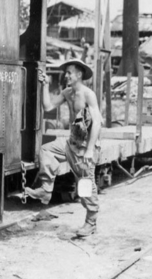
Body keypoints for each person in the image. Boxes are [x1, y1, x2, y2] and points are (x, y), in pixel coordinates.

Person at [26, 59, 102, 237]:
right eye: (66, 72)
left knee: (84, 187)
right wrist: (44, 85)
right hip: (71, 144)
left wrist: (90, 150)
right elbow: (48, 106)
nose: (66, 75)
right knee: (47, 150)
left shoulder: (88, 94)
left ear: (79, 75)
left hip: (85, 148)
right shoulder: (68, 93)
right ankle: (45, 190)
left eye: (69, 72)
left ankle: (91, 223)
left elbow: (97, 123)